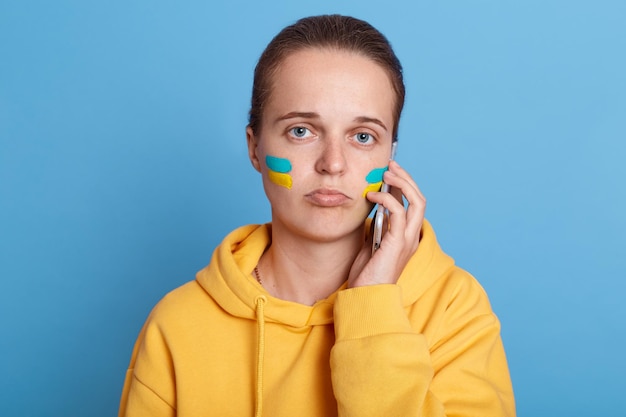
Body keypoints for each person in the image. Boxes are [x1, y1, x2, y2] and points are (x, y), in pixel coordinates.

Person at [118, 14, 516, 417]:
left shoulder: (453, 308)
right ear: (255, 148)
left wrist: (372, 309)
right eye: (301, 131)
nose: (333, 164)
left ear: (390, 156)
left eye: (363, 137)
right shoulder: (178, 324)